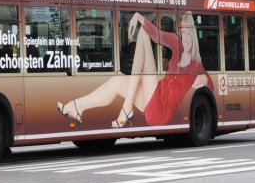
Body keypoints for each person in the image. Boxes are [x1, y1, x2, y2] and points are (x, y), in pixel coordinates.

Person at [58, 11, 212, 127]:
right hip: (156, 92)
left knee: (143, 33)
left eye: (188, 34)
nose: (185, 38)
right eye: (183, 32)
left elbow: (210, 83)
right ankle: (77, 107)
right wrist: (138, 16)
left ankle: (126, 107)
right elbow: (157, 35)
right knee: (116, 81)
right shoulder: (177, 43)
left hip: (162, 110)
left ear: (194, 36)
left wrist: (204, 79)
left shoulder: (196, 65)